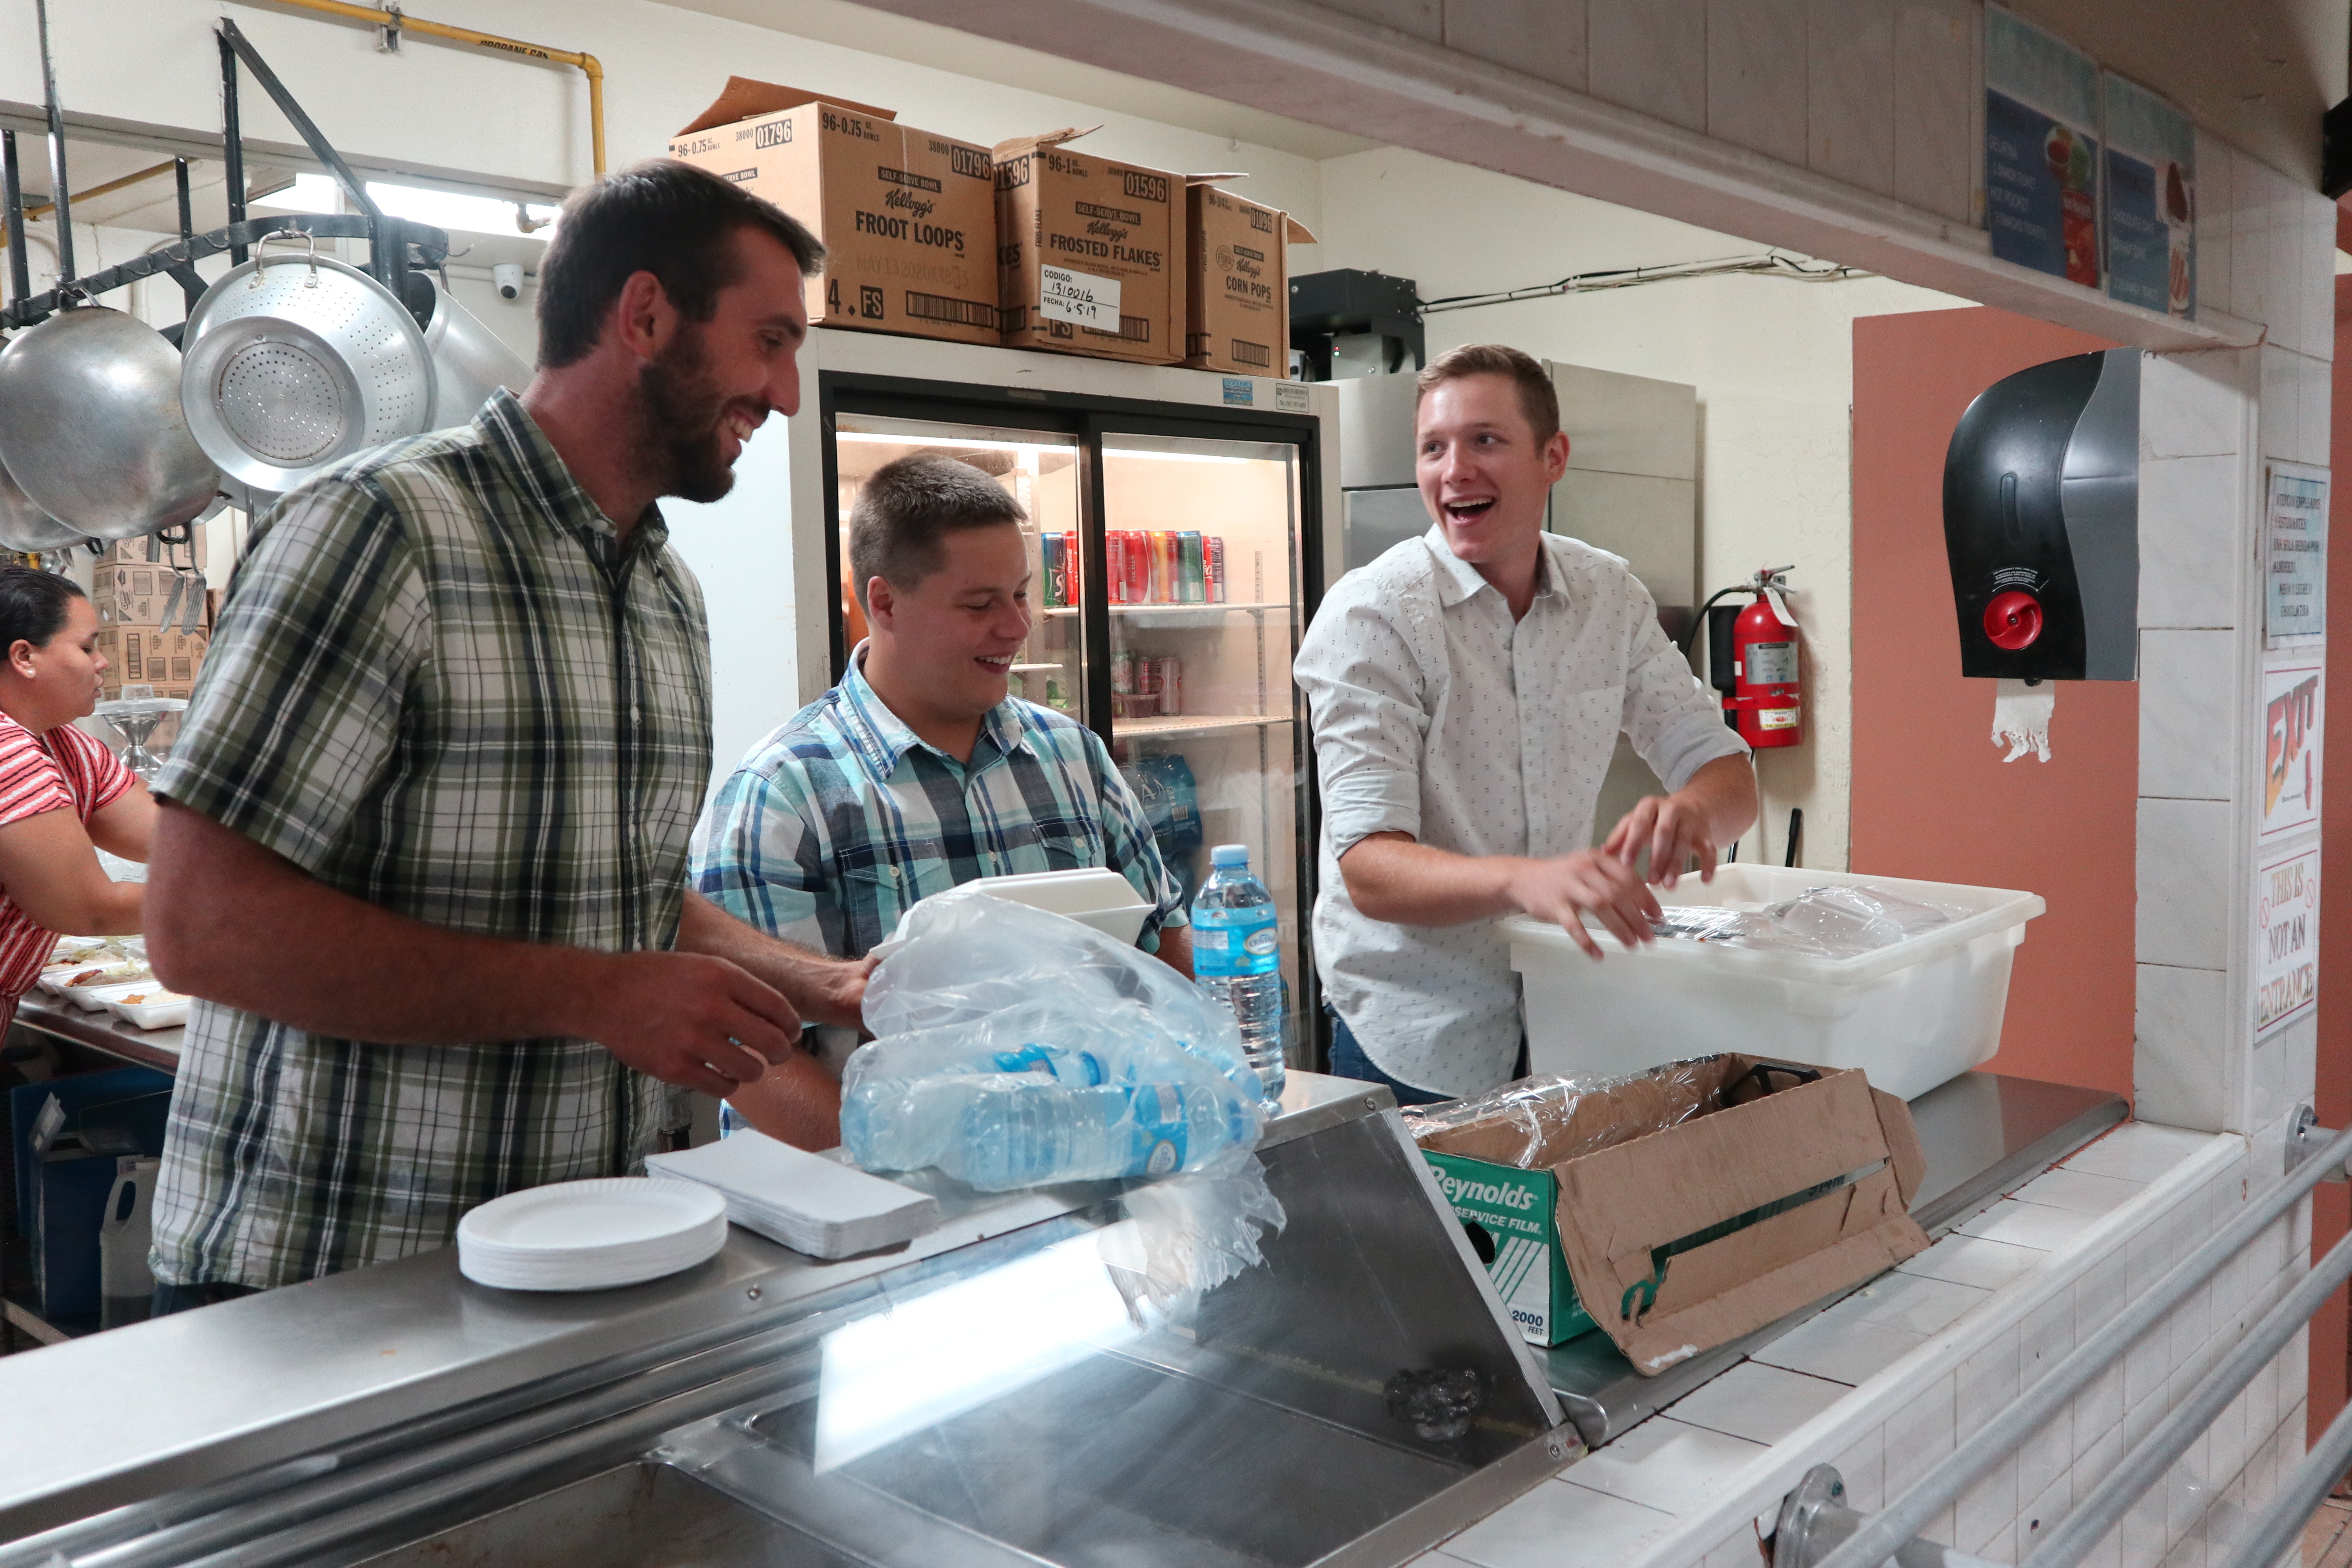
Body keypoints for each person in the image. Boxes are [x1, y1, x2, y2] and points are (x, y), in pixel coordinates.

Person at [142, 160, 868, 1310]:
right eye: (769, 340)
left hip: (580, 1252)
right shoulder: (381, 531)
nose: (785, 393)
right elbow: (201, 928)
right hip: (329, 1275)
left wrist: (827, 984)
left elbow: (614, 888)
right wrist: (591, 993)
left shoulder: (664, 593)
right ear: (643, 316)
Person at [1293, 343, 1758, 1106]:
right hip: (1415, 1037)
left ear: (1553, 457)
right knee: (1434, 1231)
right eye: (1433, 448)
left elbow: (1728, 770)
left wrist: (1691, 812)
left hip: (1571, 1011)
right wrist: (1528, 879)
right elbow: (1370, 866)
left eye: (1485, 440)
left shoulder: (1608, 596)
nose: (1455, 470)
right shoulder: (1372, 615)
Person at [691, 454, 1191, 1141]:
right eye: (980, 605)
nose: (1016, 627)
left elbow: (1164, 950)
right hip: (870, 1212)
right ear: (885, 602)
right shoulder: (784, 794)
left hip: (1077, 1165)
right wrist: (918, 1166)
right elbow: (753, 1061)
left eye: (1020, 594)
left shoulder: (1074, 758)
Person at [0, 568, 156, 1029]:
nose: (102, 662)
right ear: (24, 657)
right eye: (87, 647)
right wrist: (235, 906)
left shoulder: (66, 745)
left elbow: (166, 832)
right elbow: (86, 906)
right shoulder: (6, 752)